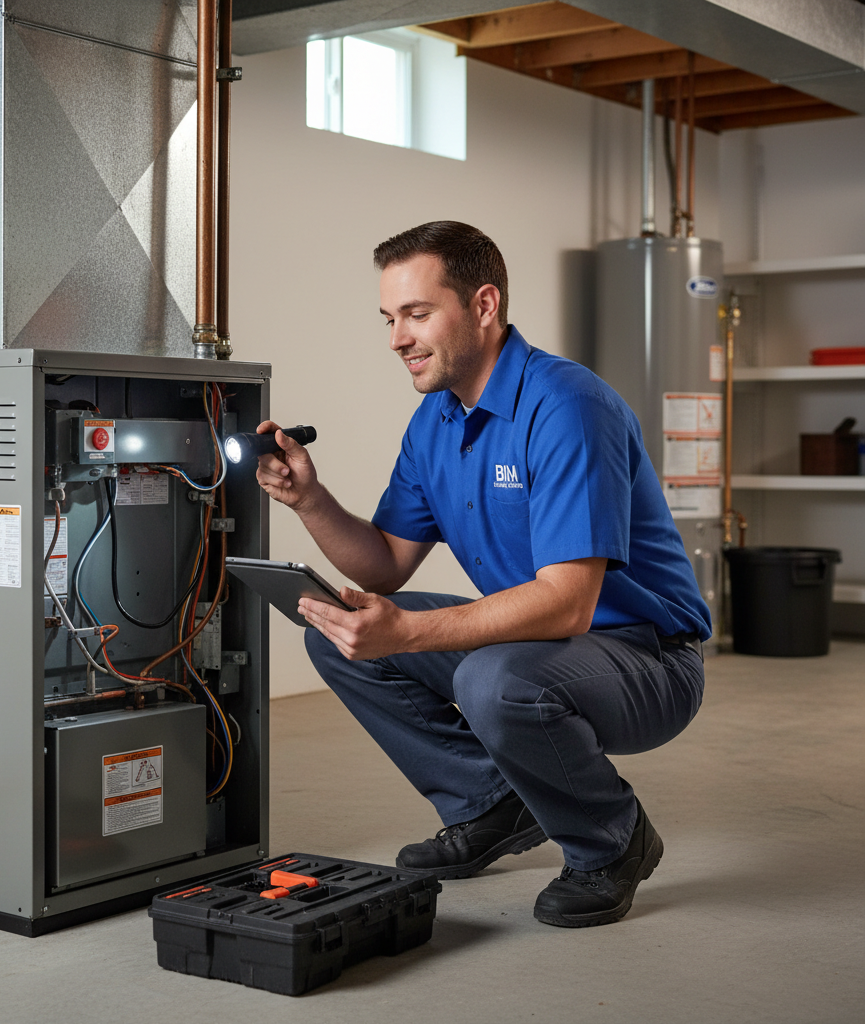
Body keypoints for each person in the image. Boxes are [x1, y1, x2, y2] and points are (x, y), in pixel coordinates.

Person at [254, 221, 709, 928]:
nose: (397, 338)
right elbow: (385, 565)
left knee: (491, 679)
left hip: (646, 656)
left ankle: (612, 840)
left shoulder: (566, 407)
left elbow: (566, 605)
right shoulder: (436, 420)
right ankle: (489, 801)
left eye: (417, 314)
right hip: (540, 646)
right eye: (389, 319)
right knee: (333, 629)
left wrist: (406, 632)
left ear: (484, 306)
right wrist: (309, 498)